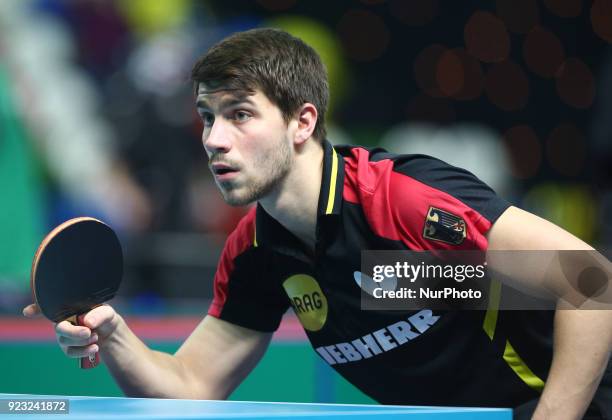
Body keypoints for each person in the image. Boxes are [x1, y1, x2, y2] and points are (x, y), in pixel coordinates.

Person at [23, 28, 612, 420]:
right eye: (207, 117)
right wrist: (113, 334)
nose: (213, 140)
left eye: (240, 115)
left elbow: (591, 283)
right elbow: (191, 387)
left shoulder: (401, 201)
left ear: (302, 122)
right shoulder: (256, 250)